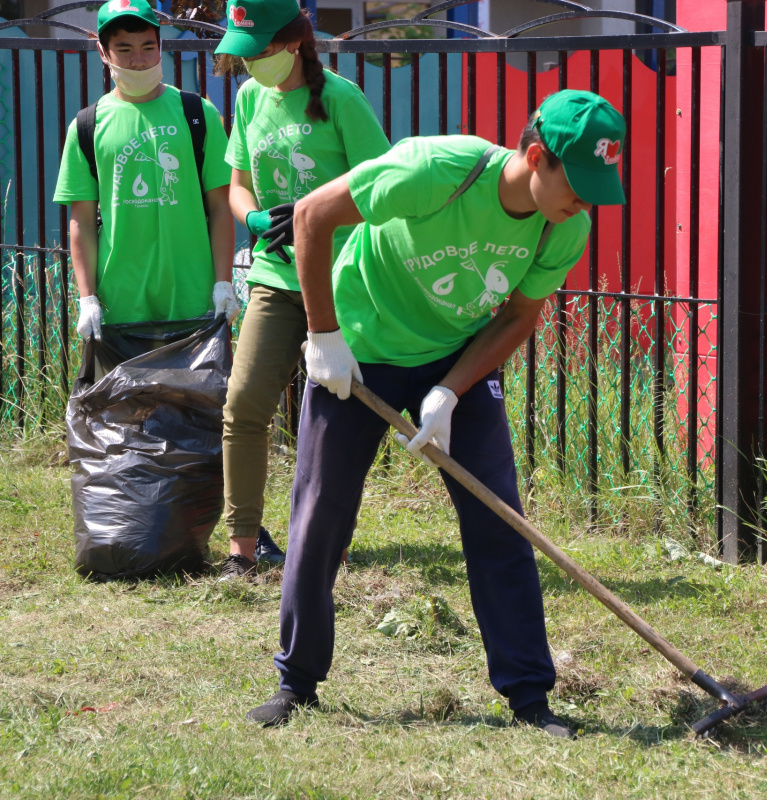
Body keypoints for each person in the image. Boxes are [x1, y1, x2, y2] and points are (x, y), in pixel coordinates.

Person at [245, 90, 626, 737]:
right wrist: (324, 337)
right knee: (321, 515)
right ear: (537, 156)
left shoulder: (564, 225)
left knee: (499, 519)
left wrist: (450, 389)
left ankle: (530, 697)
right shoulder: (435, 171)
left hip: (457, 358)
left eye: (597, 190)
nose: (584, 204)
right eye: (577, 186)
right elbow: (310, 216)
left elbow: (518, 317)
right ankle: (296, 682)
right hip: (360, 349)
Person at [212, 0, 392, 580]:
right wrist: (257, 221)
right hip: (274, 276)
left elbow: (383, 192)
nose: (250, 65)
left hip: (339, 283)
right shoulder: (247, 99)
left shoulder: (341, 99)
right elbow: (238, 187)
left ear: (293, 42)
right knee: (243, 406)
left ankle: (328, 542)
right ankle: (244, 547)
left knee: (333, 418)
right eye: (244, 55)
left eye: (259, 52)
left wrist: (320, 219)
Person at [54, 0, 237, 340]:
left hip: (194, 304)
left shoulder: (199, 114)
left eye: (147, 47)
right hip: (119, 310)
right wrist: (88, 298)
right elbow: (81, 218)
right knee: (124, 396)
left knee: (197, 397)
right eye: (124, 49)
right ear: (102, 52)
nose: (138, 60)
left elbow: (221, 205)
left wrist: (223, 283)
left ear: (160, 47)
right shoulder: (86, 126)